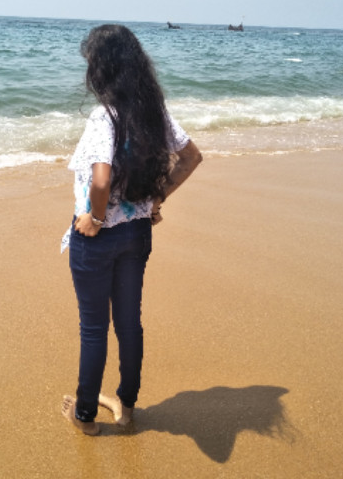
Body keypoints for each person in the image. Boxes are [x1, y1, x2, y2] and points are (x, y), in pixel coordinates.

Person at [61, 24, 202, 436]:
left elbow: (101, 180)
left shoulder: (104, 115)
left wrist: (95, 217)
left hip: (98, 238)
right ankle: (126, 404)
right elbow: (191, 157)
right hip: (137, 233)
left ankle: (85, 415)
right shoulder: (152, 112)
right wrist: (156, 200)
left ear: (101, 68)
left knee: (93, 328)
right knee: (128, 323)